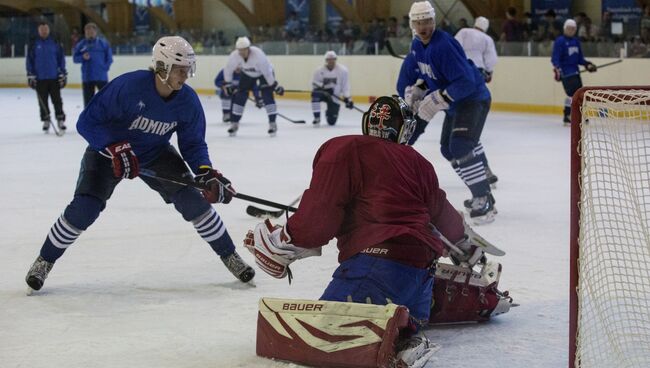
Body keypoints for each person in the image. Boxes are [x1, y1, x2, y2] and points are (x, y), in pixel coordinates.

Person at [244, 96, 489, 366]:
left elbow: (319, 220)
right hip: (421, 280)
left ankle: (390, 331)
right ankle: (407, 333)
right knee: (395, 319)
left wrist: (286, 237)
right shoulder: (418, 162)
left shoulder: (345, 148)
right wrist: (465, 245)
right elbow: (441, 212)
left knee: (319, 338)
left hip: (376, 271)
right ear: (404, 129)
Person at [24, 36, 255, 293]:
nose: (186, 76)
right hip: (107, 154)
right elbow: (87, 122)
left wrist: (205, 171)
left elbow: (193, 144)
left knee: (193, 201)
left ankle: (229, 255)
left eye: (188, 69)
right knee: (84, 208)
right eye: (180, 69)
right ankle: (44, 260)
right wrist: (113, 146)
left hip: (154, 154)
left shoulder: (187, 101)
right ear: (162, 66)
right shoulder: (128, 86)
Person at [400, 1, 497, 223]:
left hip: (473, 100)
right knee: (448, 149)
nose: (423, 27)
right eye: (419, 22)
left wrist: (439, 98)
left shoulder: (444, 45)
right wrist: (419, 89)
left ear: (434, 21)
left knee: (461, 145)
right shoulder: (418, 46)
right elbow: (433, 74)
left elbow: (467, 82)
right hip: (456, 103)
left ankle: (483, 199)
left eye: (427, 21)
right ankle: (483, 193)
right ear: (412, 24)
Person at [222, 36, 285, 137]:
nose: (241, 53)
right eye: (240, 50)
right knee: (239, 97)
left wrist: (273, 85)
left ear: (248, 48)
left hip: (264, 74)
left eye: (244, 50)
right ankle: (234, 124)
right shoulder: (234, 55)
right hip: (247, 73)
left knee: (267, 96)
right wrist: (228, 84)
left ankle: (272, 124)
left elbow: (267, 72)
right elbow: (228, 69)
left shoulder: (258, 55)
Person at [551, 19, 597, 125]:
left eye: (573, 29)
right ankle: (572, 115)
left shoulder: (576, 41)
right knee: (573, 95)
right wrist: (558, 69)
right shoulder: (560, 41)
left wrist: (587, 64)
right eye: (569, 28)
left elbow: (580, 59)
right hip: (566, 73)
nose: (571, 30)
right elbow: (555, 58)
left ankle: (568, 115)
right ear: (565, 28)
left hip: (575, 72)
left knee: (576, 95)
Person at [26, 21, 67, 133]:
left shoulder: (55, 42)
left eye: (45, 29)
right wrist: (30, 74)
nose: (44, 31)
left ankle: (60, 119)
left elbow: (61, 58)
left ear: (48, 30)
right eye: (41, 29)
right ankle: (46, 120)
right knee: (42, 101)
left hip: (54, 77)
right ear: (39, 31)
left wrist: (62, 72)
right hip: (39, 78)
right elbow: (29, 60)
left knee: (57, 100)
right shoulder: (34, 43)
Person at [73, 22, 113, 107]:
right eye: (87, 32)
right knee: (88, 103)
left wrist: (104, 68)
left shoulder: (103, 44)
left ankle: (106, 118)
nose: (89, 34)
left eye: (91, 32)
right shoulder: (81, 44)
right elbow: (75, 59)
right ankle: (88, 119)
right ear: (85, 33)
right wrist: (82, 57)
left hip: (101, 77)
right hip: (87, 77)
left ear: (96, 32)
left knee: (106, 100)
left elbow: (109, 59)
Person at [310, 51, 354, 126]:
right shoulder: (319, 71)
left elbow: (345, 86)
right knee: (315, 95)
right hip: (323, 93)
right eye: (329, 59)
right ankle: (317, 118)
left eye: (333, 59)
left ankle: (329, 112)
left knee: (331, 122)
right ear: (326, 60)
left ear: (335, 59)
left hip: (334, 96)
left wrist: (348, 99)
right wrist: (324, 88)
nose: (331, 61)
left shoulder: (343, 70)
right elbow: (314, 83)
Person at [455, 16, 497, 84]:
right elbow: (491, 58)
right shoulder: (487, 39)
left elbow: (455, 46)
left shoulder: (464, 32)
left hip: (462, 66)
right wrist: (489, 71)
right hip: (478, 69)